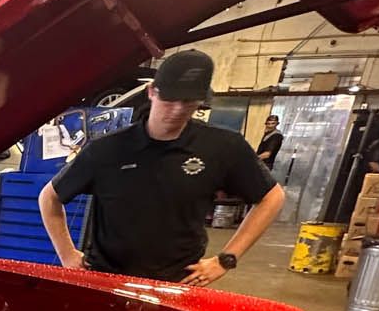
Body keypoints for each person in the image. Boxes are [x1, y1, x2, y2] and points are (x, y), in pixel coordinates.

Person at [38, 50, 288, 285]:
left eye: (189, 102)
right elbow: (49, 198)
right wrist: (67, 255)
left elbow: (272, 197)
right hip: (107, 279)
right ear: (151, 92)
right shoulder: (107, 150)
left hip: (178, 282)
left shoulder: (223, 147)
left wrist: (226, 259)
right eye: (171, 99)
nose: (178, 110)